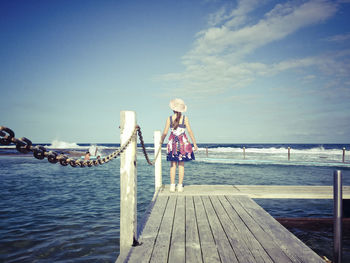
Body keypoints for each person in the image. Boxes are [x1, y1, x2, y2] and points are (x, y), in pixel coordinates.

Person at [160, 98, 198, 192]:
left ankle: (172, 186)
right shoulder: (185, 118)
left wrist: (160, 141)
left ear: (173, 109)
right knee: (181, 165)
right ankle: (180, 186)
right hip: (182, 143)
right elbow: (189, 131)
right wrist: (194, 144)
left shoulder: (169, 119)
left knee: (172, 165)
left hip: (172, 142)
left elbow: (165, 132)